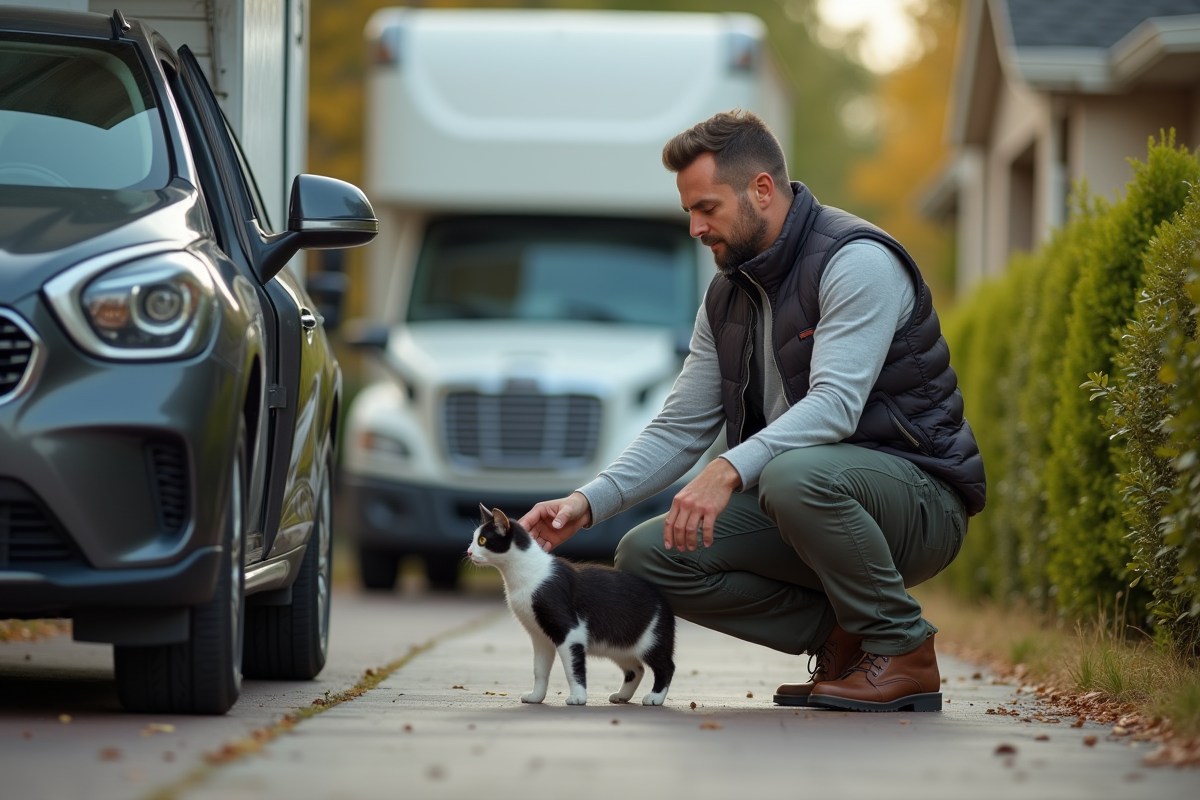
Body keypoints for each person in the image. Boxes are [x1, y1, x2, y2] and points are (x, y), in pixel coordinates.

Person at [519, 110, 985, 712]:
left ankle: (903, 650)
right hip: (806, 500)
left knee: (793, 474)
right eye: (689, 210)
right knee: (646, 555)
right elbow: (683, 426)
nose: (694, 227)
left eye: (707, 208)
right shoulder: (727, 294)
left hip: (920, 503)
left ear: (762, 189)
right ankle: (846, 642)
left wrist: (729, 469)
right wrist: (587, 502)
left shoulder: (855, 261)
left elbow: (835, 407)